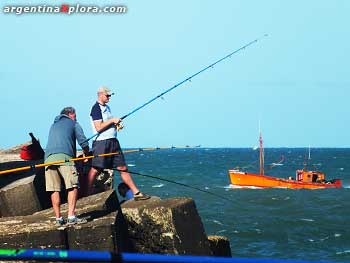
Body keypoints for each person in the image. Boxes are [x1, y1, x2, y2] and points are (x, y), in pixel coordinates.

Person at [87, 86, 150, 201]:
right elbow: (98, 127)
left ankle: (136, 192)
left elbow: (106, 124)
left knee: (123, 167)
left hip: (113, 141)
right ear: (100, 94)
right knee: (96, 168)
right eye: (107, 95)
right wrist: (112, 120)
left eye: (110, 95)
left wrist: (115, 125)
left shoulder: (107, 108)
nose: (109, 97)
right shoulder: (96, 108)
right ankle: (88, 192)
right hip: (102, 142)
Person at [45, 107, 90, 226]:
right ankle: (71, 216)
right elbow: (83, 142)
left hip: (48, 159)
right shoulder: (73, 123)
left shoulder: (53, 125)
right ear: (70, 114)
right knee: (73, 186)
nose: (76, 118)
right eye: (75, 115)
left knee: (54, 189)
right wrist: (86, 154)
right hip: (65, 158)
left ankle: (58, 219)